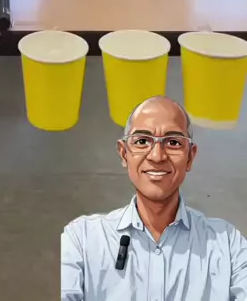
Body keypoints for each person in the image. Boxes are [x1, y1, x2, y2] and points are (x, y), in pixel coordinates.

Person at [61, 96, 247, 301]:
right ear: (124, 153)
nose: (157, 156)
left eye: (173, 142)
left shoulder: (227, 243)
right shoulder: (83, 238)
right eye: (142, 141)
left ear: (190, 157)